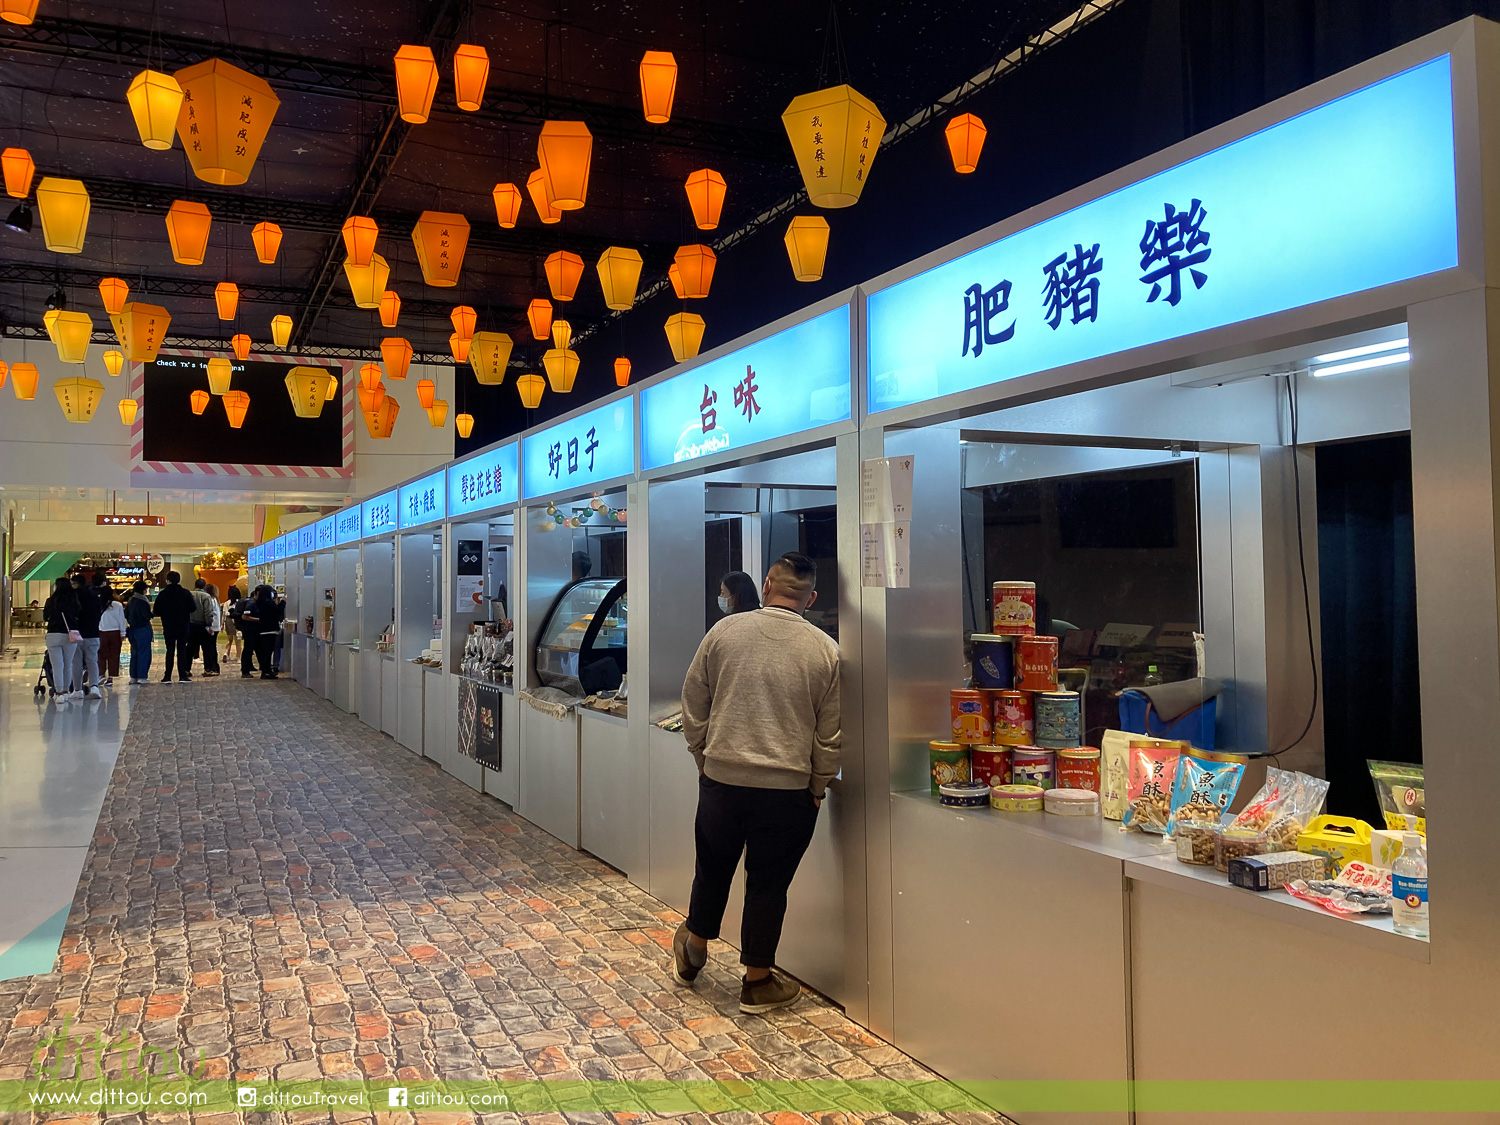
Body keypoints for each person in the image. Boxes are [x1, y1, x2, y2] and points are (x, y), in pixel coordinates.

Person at [673, 552, 841, 1014]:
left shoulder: (723, 632)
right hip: (788, 792)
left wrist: (702, 756)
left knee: (712, 868)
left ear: (767, 584)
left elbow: (693, 700)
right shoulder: (825, 649)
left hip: (722, 781)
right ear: (811, 598)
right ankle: (757, 982)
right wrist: (817, 785)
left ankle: (694, 949)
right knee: (768, 885)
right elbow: (830, 734)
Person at [152, 571, 196, 683]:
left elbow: (156, 610)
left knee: (170, 650)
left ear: (167, 580)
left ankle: (167, 676)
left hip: (168, 625)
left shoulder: (163, 594)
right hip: (183, 625)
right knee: (182, 650)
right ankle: (182, 675)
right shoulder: (185, 593)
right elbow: (193, 608)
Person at [43, 577, 81, 703]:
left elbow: (45, 617)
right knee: (68, 664)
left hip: (53, 634)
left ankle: (59, 693)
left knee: (57, 665)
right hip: (70, 635)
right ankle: (66, 691)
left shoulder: (50, 600)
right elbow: (78, 614)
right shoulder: (73, 600)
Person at [71, 574, 103, 699]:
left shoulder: (73, 596)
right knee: (92, 661)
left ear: (76, 584)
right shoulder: (94, 596)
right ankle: (94, 686)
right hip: (93, 633)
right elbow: (99, 613)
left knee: (76, 663)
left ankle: (78, 689)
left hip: (77, 633)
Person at [241, 585, 283, 679]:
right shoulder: (253, 603)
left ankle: (263, 669)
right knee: (253, 650)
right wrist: (259, 620)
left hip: (259, 631)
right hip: (253, 631)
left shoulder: (260, 603)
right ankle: (250, 670)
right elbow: (245, 616)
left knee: (262, 652)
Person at [124, 581, 154, 684]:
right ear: (143, 590)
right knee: (144, 653)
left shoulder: (131, 600)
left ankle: (133, 676)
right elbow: (147, 615)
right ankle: (142, 676)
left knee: (134, 653)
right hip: (142, 629)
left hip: (132, 629)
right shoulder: (142, 601)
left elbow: (126, 614)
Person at [97, 588, 125, 686]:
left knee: (100, 654)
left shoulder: (98, 604)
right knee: (114, 655)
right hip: (115, 633)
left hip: (101, 632)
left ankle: (101, 674)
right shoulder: (118, 605)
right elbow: (121, 620)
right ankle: (111, 677)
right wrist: (123, 633)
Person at [188, 578, 214, 677]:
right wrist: (209, 624)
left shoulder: (189, 594)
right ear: (204, 586)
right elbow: (208, 611)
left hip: (190, 624)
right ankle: (208, 669)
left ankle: (186, 669)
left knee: (190, 648)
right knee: (206, 648)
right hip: (202, 625)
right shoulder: (206, 596)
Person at [202, 583, 222, 676]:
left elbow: (209, 613)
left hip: (211, 627)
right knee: (213, 647)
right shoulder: (216, 600)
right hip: (216, 626)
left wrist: (208, 626)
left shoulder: (209, 600)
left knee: (208, 648)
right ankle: (215, 667)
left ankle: (210, 667)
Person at [222, 584, 242, 662]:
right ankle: (239, 657)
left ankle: (226, 653)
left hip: (228, 621)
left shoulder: (226, 603)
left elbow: (224, 615)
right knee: (238, 641)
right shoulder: (239, 603)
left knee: (229, 640)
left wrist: (222, 624)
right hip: (237, 621)